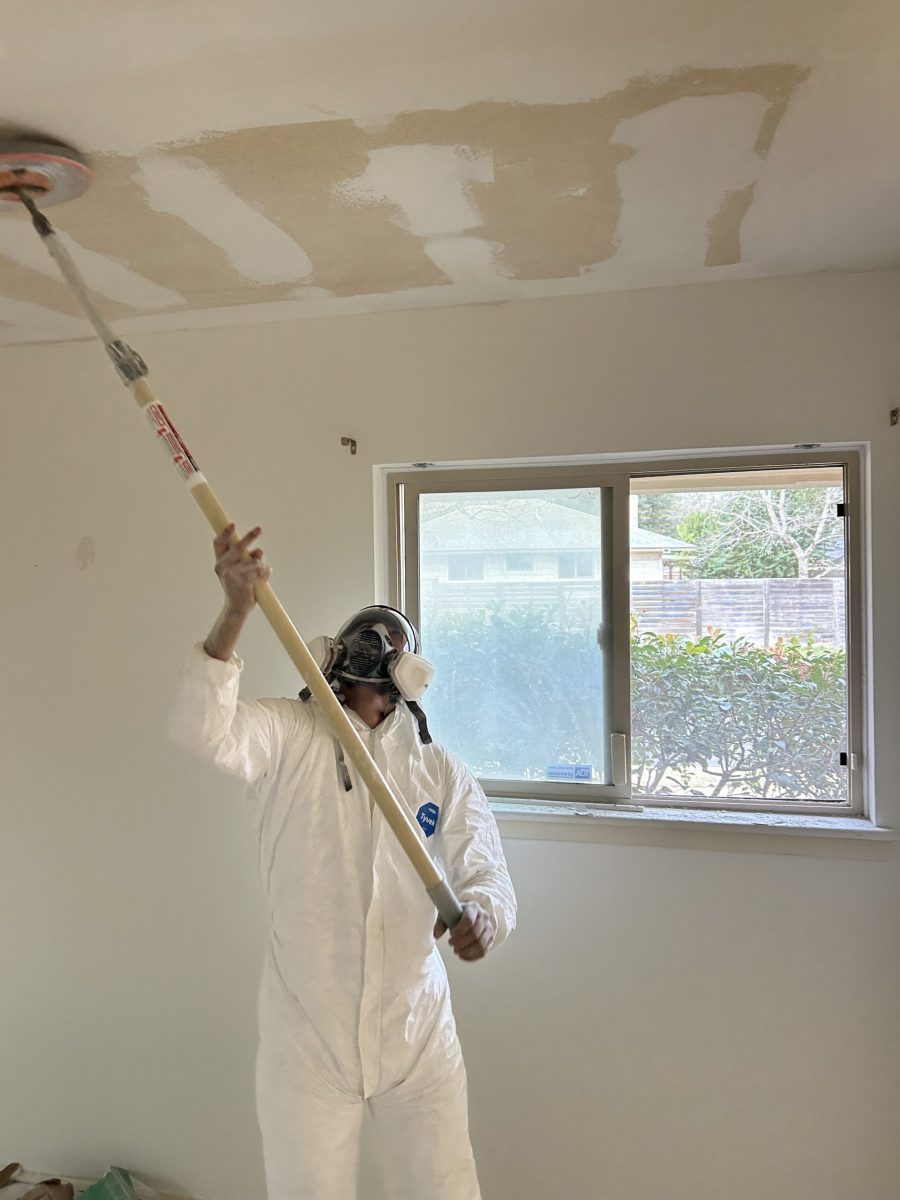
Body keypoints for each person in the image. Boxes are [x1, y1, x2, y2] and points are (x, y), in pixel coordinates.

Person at [170, 524, 516, 1200]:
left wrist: (483, 915)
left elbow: (488, 873)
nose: (377, 673)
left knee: (445, 1188)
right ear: (335, 662)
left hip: (416, 1029)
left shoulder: (436, 768)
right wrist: (235, 612)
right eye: (367, 650)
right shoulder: (286, 734)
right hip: (308, 1034)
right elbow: (202, 728)